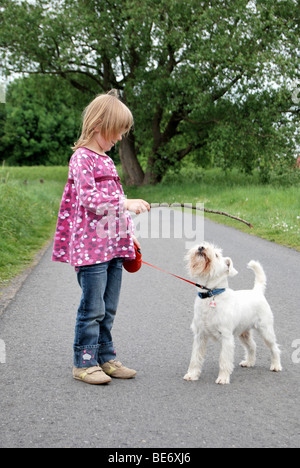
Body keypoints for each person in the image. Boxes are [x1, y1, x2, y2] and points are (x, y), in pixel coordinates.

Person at [52, 90, 150, 385]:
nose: (120, 138)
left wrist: (130, 236)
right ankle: (83, 362)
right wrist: (126, 203)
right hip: (90, 250)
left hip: (112, 247)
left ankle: (105, 358)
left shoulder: (106, 161)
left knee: (108, 307)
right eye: (117, 132)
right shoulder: (81, 158)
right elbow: (90, 198)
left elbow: (114, 203)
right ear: (98, 126)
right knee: (92, 307)